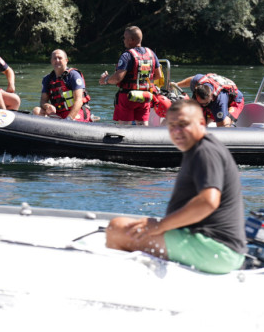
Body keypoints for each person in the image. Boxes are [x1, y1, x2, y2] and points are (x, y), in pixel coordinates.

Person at [104, 99, 246, 274]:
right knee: (132, 227)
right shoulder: (198, 148)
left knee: (116, 229)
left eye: (183, 124)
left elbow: (209, 202)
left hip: (216, 250)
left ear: (201, 122)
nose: (176, 131)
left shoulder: (205, 151)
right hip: (210, 245)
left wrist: (161, 226)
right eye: (171, 126)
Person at [98, 25, 162, 125]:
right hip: (145, 96)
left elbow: (117, 78)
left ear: (131, 40)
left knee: (124, 127)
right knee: (142, 125)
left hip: (128, 97)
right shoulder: (151, 53)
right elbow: (158, 76)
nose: (123, 40)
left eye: (124, 38)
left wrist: (106, 80)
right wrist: (142, 81)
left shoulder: (127, 55)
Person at [32, 49, 92, 122]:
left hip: (77, 112)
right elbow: (43, 101)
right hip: (59, 114)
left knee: (72, 120)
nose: (57, 60)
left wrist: (68, 119)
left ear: (66, 60)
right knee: (36, 111)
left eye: (60, 58)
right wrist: (47, 106)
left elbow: (79, 101)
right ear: (51, 61)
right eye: (54, 58)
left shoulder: (73, 75)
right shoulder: (47, 79)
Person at [177, 73, 245, 127]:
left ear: (211, 97)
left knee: (225, 123)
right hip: (211, 102)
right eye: (200, 103)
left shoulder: (220, 101)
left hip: (234, 102)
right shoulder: (198, 82)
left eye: (204, 104)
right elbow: (191, 80)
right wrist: (177, 84)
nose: (202, 105)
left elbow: (221, 126)